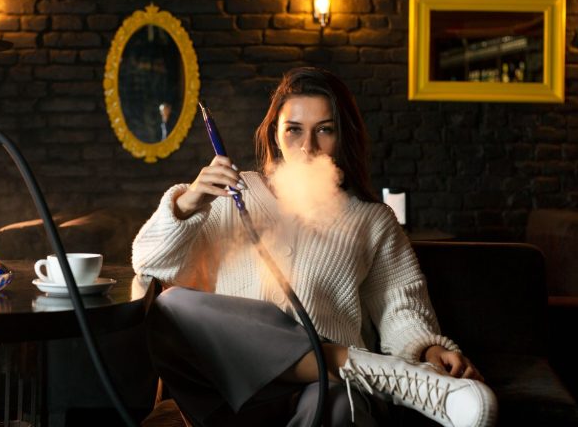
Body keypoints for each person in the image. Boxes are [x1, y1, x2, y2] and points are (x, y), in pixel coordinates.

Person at [132, 67, 497, 427]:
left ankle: (357, 373)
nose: (307, 146)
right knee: (170, 306)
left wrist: (428, 349)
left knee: (339, 406)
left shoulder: (372, 220)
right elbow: (149, 265)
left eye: (324, 130)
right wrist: (187, 204)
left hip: (327, 392)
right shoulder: (231, 195)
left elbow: (399, 309)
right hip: (238, 395)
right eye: (293, 130)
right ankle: (382, 374)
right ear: (275, 133)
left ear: (343, 136)